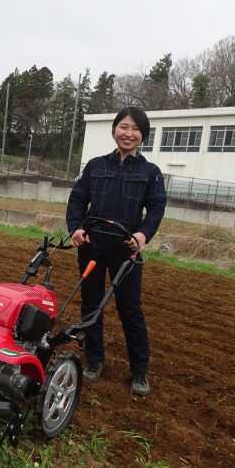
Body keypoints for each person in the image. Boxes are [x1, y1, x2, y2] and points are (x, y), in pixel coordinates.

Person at [66, 106, 167, 397]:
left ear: (142, 136)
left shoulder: (150, 172)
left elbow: (157, 208)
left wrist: (142, 234)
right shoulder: (96, 166)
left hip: (127, 250)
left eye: (135, 129)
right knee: (92, 304)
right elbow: (77, 199)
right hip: (92, 245)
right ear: (114, 130)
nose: (129, 133)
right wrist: (76, 227)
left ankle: (139, 370)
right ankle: (95, 361)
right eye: (123, 126)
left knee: (130, 309)